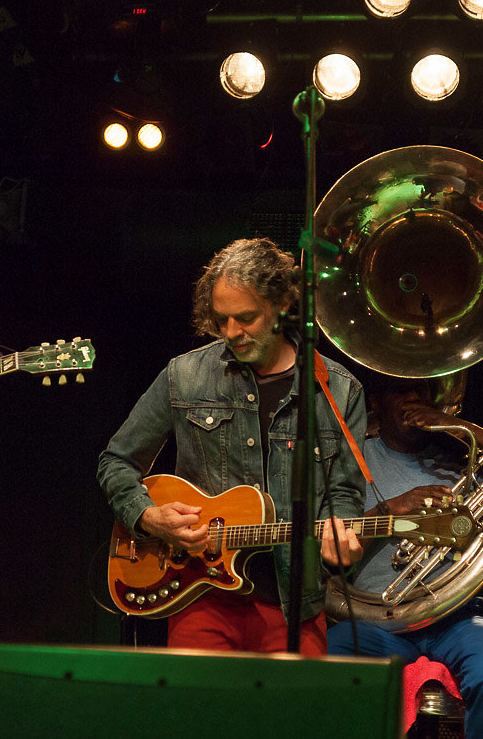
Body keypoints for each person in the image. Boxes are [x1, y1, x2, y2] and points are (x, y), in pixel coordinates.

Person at [98, 237, 366, 654]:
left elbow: (344, 493)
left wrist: (341, 530)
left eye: (245, 318)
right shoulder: (183, 376)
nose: (231, 333)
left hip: (293, 601)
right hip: (201, 598)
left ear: (282, 307)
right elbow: (116, 462)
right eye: (221, 320)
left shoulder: (338, 389)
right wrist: (149, 517)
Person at [326, 373, 483, 739]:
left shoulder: (460, 458)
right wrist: (393, 511)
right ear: (375, 402)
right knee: (321, 658)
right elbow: (330, 537)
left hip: (457, 619)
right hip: (377, 621)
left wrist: (459, 426)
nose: (414, 397)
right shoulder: (353, 461)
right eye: (401, 390)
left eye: (422, 389)